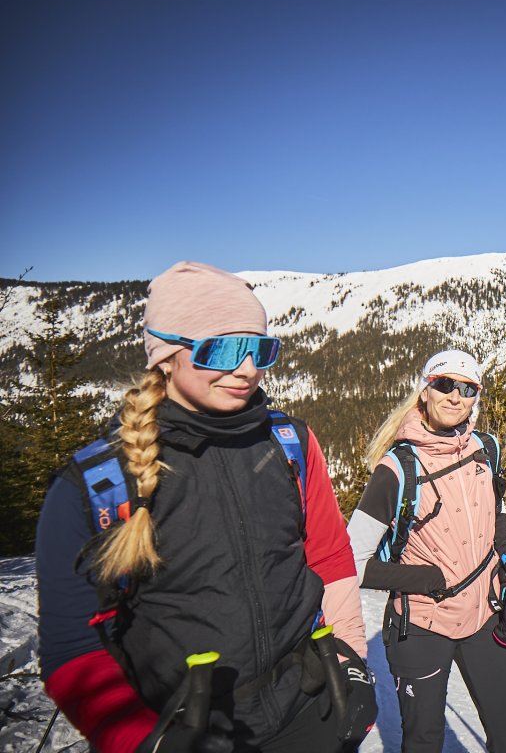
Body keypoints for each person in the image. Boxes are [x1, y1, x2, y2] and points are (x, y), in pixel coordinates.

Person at [36, 261, 377, 753]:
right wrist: (138, 741)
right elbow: (72, 648)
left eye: (259, 350)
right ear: (167, 356)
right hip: (182, 729)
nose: (246, 370)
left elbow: (328, 559)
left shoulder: (289, 445)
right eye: (222, 350)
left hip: (307, 709)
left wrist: (349, 661)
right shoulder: (99, 485)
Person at [347, 349, 506, 753]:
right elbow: (352, 562)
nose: (455, 396)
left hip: (484, 616)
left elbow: (495, 510)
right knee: (424, 741)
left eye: (467, 389)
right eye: (444, 385)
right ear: (425, 392)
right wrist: (425, 578)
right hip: (422, 626)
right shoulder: (397, 469)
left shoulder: (487, 449)